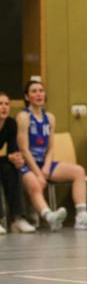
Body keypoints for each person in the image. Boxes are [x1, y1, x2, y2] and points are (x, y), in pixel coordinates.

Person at [17, 81, 87, 230]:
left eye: (41, 91)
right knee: (34, 183)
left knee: (78, 171)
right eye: (34, 91)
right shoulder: (23, 117)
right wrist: (38, 173)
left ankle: (82, 217)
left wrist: (45, 167)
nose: (38, 94)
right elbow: (24, 149)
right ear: (27, 97)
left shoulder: (50, 118)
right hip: (27, 163)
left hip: (43, 163)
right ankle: (49, 216)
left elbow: (51, 147)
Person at [0, 92, 35, 233]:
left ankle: (18, 218)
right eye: (0, 104)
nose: (4, 107)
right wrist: (9, 158)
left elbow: (13, 150)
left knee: (12, 169)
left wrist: (17, 160)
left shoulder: (10, 124)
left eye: (7, 104)